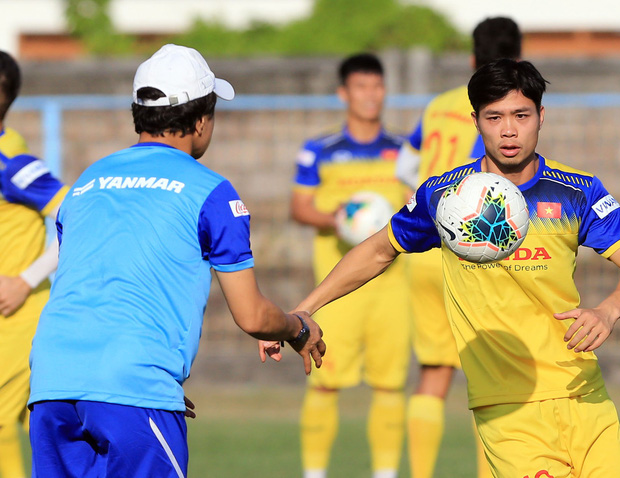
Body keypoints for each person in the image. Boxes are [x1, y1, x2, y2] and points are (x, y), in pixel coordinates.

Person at [267, 59, 620, 478]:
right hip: (509, 406)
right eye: (494, 117)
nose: (508, 129)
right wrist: (304, 309)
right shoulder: (445, 197)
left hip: (587, 396)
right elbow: (378, 250)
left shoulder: (577, 191)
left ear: (541, 117)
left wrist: (609, 309)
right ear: (475, 122)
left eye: (521, 115)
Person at [27, 44, 325, 478]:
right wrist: (297, 327)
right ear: (201, 120)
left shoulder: (87, 182)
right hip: (131, 385)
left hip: (52, 382)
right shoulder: (211, 192)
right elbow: (253, 316)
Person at [263, 53, 410, 478]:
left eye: (377, 86)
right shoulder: (319, 151)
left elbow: (419, 201)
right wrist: (339, 220)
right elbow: (299, 207)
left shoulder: (403, 152)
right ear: (343, 94)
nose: (370, 95)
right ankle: (315, 473)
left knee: (389, 382)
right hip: (339, 289)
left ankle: (385, 473)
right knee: (324, 380)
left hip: (392, 285)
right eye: (361, 87)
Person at [394, 17, 521, 478]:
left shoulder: (437, 106)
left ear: (471, 58)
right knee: (490, 380)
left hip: (426, 249)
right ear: (519, 62)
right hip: (476, 252)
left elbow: (406, 167)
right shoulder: (503, 110)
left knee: (432, 374)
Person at [0, 50, 68, 478]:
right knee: (41, 429)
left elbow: (80, 216)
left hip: (17, 317)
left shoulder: (13, 163)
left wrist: (25, 280)